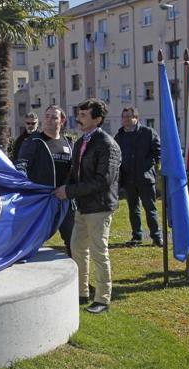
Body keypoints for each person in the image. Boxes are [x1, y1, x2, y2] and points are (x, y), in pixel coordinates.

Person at [54, 98, 121, 314]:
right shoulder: (82, 141)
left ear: (97, 119)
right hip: (82, 206)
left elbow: (103, 181)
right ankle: (81, 293)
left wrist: (69, 191)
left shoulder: (107, 144)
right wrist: (66, 188)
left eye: (84, 115)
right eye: (79, 114)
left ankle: (102, 298)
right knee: (77, 248)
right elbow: (75, 173)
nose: (78, 118)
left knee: (99, 252)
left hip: (99, 207)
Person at [15, 105, 74, 256]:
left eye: (54, 117)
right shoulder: (34, 141)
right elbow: (21, 163)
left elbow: (74, 169)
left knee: (73, 241)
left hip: (65, 198)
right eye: (47, 116)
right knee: (33, 240)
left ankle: (80, 278)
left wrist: (69, 189)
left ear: (62, 121)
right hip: (42, 201)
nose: (49, 120)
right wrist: (23, 179)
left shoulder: (68, 142)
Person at [114, 107, 162, 247]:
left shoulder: (148, 133)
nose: (125, 120)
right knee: (133, 209)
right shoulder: (119, 136)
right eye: (123, 117)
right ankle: (137, 236)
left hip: (145, 178)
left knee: (150, 208)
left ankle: (156, 237)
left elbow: (158, 151)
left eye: (128, 117)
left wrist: (148, 164)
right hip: (128, 179)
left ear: (136, 118)